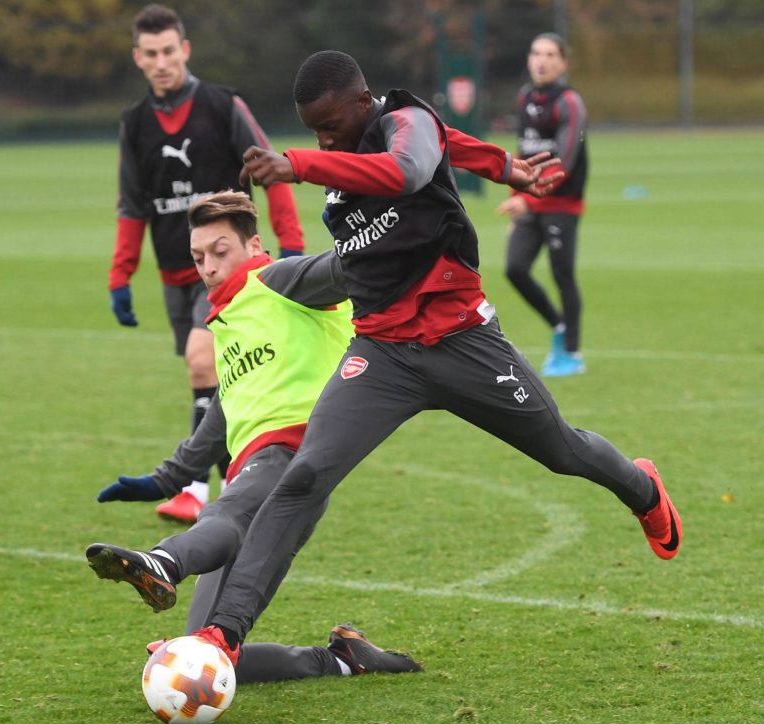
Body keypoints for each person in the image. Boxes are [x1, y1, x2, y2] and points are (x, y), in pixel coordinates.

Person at [183, 50, 682, 668]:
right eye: (313, 131)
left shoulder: (400, 122)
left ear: (362, 103)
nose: (324, 138)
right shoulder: (347, 155)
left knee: (563, 451)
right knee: (304, 475)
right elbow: (452, 145)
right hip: (382, 353)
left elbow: (414, 166)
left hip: (462, 343)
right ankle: (223, 635)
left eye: (330, 125)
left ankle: (642, 486)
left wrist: (298, 164)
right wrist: (505, 166)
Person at [90, 190, 421, 682]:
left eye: (220, 252)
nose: (208, 266)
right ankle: (342, 659)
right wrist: (162, 481)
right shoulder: (229, 320)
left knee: (226, 515)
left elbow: (346, 266)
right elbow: (220, 419)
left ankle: (165, 560)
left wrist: (393, 219)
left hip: (296, 456)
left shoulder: (280, 281)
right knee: (201, 656)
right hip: (254, 471)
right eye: (198, 257)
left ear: (253, 245)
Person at [108, 4, 305, 522]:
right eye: (150, 54)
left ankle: (194, 488)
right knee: (216, 380)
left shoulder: (222, 105)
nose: (161, 61)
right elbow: (133, 204)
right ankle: (240, 480)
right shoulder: (134, 123)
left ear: (185, 50)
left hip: (233, 271)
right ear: (138, 59)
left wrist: (293, 247)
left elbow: (270, 171)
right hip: (179, 273)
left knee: (203, 360)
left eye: (169, 50)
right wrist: (120, 276)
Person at [496, 32, 589, 377]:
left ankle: (573, 352)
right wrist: (516, 200)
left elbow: (564, 160)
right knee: (514, 269)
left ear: (563, 62)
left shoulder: (570, 103)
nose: (542, 60)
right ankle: (559, 325)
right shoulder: (525, 97)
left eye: (550, 54)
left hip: (561, 203)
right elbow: (522, 153)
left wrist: (528, 200)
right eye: (536, 52)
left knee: (562, 273)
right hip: (529, 201)